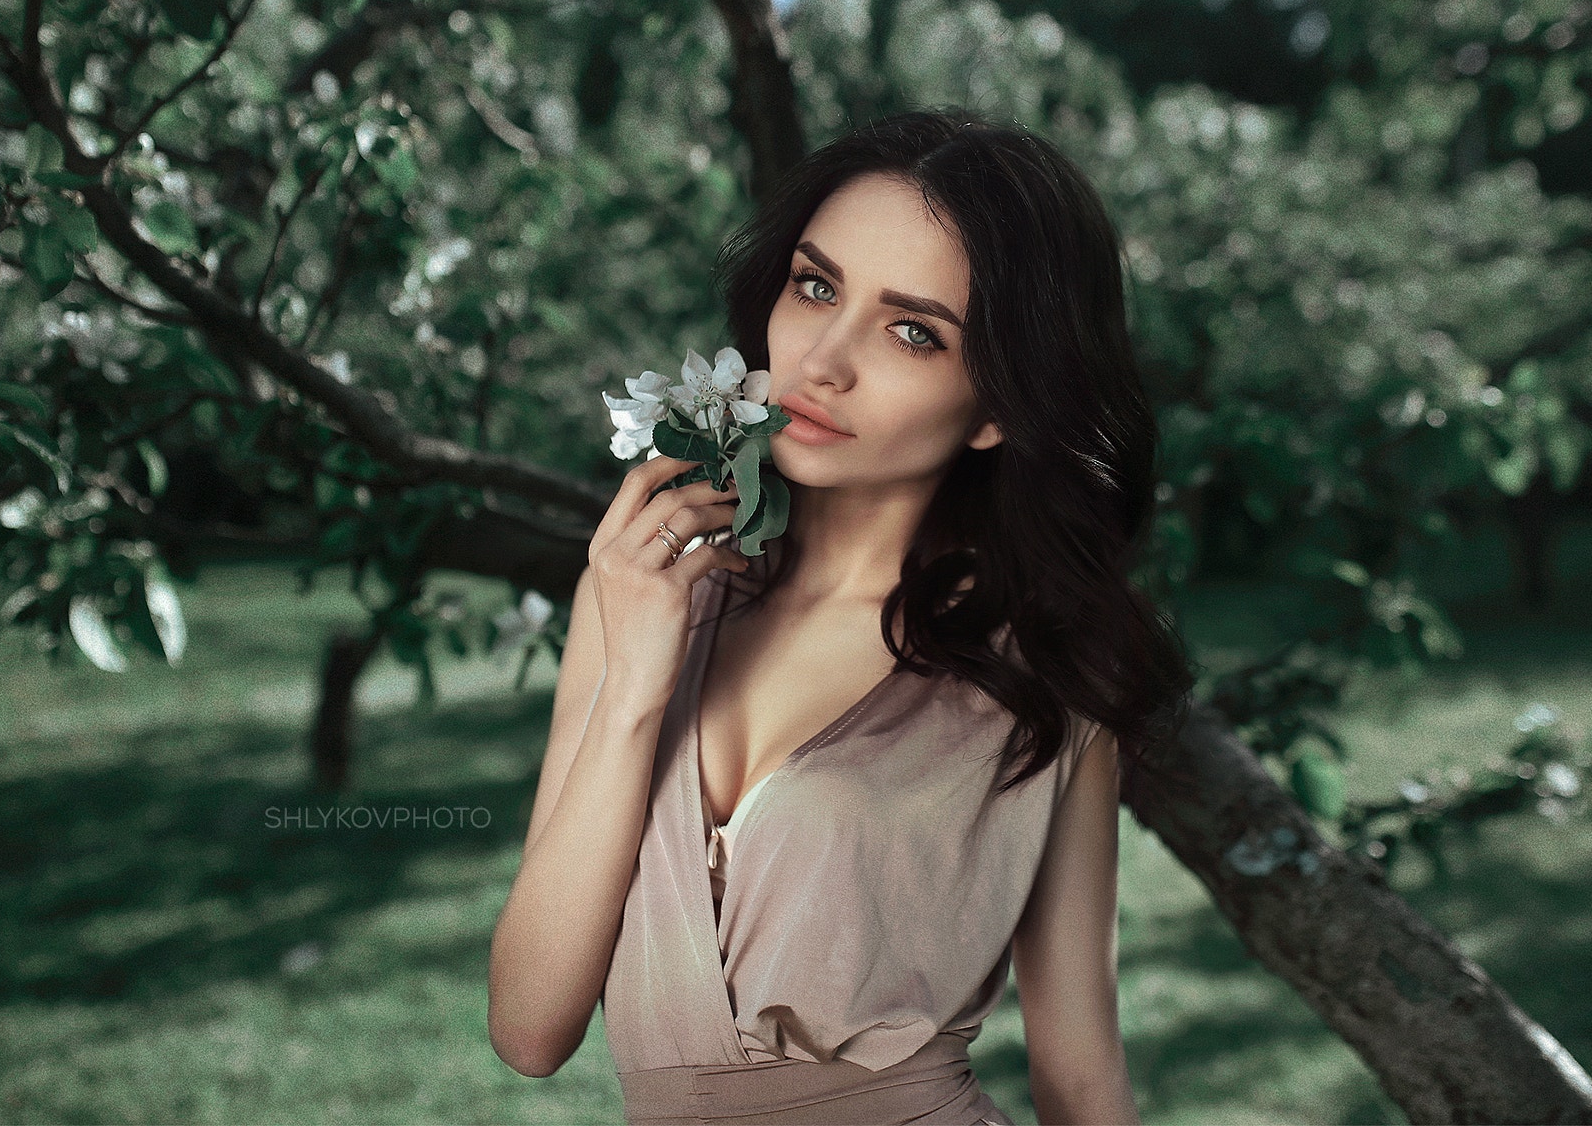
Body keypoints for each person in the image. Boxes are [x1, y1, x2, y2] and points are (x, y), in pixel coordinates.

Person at [487, 108, 1194, 1125]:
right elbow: (528, 1028)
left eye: (913, 331)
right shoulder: (646, 589)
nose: (822, 360)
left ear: (999, 405)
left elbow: (1079, 1073)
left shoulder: (1044, 673)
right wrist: (639, 681)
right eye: (815, 286)